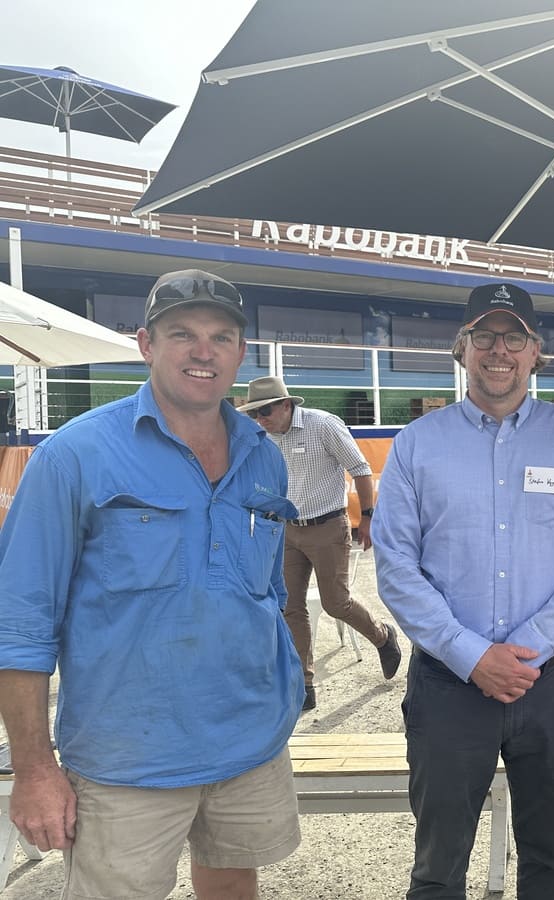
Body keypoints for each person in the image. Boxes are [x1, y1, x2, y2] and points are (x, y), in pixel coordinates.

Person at [0, 269, 304, 900]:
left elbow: (266, 594)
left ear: (241, 354)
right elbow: (19, 624)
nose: (203, 351)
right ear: (146, 343)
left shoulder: (261, 452)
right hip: (127, 760)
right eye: (182, 334)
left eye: (222, 337)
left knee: (232, 885)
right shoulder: (75, 456)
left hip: (249, 744)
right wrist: (33, 768)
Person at [373, 281, 554, 899]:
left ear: (536, 352)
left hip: (550, 682)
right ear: (462, 349)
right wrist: (471, 654)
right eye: (484, 335)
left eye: (514, 336)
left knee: (551, 858)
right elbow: (397, 564)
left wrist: (528, 646)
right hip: (448, 685)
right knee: (438, 864)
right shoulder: (416, 446)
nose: (499, 350)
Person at [238, 376, 402, 711]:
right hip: (287, 530)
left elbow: (361, 469)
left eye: (265, 410)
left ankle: (383, 636)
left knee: (335, 603)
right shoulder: (264, 437)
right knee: (290, 607)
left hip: (328, 527)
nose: (261, 419)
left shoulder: (323, 425)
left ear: (286, 405)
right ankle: (305, 685)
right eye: (255, 413)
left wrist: (368, 517)